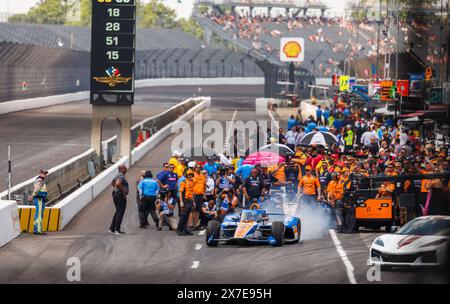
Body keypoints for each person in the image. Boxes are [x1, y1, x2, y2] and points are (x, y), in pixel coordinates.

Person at [109, 164, 129, 235]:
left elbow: (113, 182)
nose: (126, 169)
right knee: (120, 212)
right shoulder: (121, 176)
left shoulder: (117, 175)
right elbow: (117, 183)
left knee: (118, 211)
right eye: (125, 168)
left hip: (116, 194)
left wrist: (116, 189)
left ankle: (112, 228)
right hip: (120, 195)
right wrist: (123, 191)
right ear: (121, 169)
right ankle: (117, 229)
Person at [29, 169, 49, 235]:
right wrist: (32, 196)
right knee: (39, 215)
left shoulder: (40, 180)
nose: (45, 175)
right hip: (39, 199)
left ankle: (36, 229)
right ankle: (38, 230)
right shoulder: (40, 180)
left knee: (38, 214)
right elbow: (37, 190)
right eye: (43, 173)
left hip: (40, 199)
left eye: (45, 173)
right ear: (40, 173)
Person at [177, 170, 195, 236]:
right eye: (189, 174)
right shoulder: (183, 182)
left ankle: (185, 230)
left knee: (187, 216)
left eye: (191, 174)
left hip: (190, 201)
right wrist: (181, 201)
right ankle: (179, 229)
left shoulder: (192, 182)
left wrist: (193, 201)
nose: (190, 175)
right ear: (186, 175)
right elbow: (180, 192)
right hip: (184, 200)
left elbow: (192, 192)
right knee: (183, 216)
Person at [191, 164, 207, 230]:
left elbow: (204, 185)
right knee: (193, 210)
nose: (198, 168)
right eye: (197, 167)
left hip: (200, 194)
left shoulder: (202, 175)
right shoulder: (193, 175)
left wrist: (204, 193)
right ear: (195, 168)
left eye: (199, 167)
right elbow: (191, 186)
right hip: (195, 194)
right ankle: (192, 225)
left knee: (198, 210)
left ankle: (196, 225)